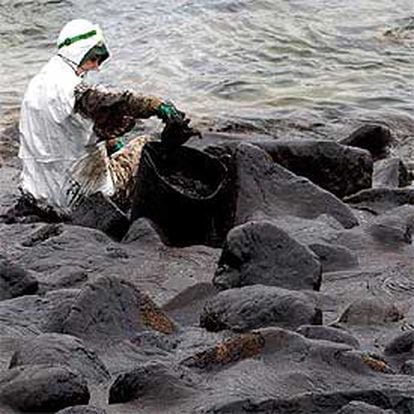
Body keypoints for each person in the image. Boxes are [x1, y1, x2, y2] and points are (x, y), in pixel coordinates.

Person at [18, 18, 187, 214]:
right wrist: (158, 106)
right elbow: (119, 101)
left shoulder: (37, 84)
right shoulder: (75, 91)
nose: (97, 66)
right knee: (146, 145)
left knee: (110, 144)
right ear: (78, 53)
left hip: (37, 193)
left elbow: (66, 130)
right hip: (79, 200)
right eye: (93, 59)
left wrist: (112, 143)